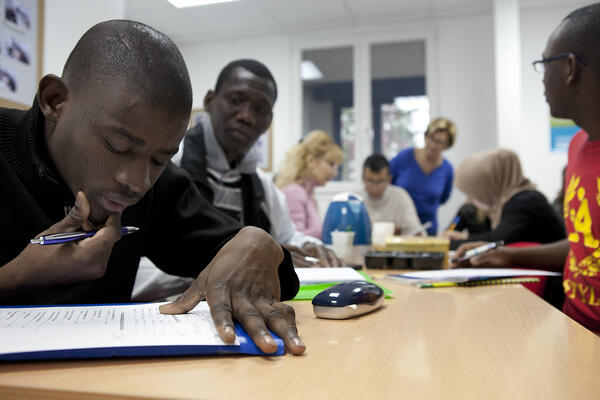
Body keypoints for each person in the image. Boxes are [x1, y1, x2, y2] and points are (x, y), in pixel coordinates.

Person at [0, 20, 305, 355]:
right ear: (54, 100)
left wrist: (259, 243)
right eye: (117, 146)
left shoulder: (158, 187)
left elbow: (262, 266)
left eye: (160, 159)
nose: (137, 182)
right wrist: (18, 275)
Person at [454, 3, 600, 334]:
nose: (542, 77)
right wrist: (508, 256)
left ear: (570, 68)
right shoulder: (577, 146)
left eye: (543, 64)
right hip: (573, 331)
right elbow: (585, 246)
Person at [179, 59, 340, 267]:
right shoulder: (167, 168)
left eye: (260, 109)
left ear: (268, 122)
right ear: (209, 101)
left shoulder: (263, 188)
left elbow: (286, 236)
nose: (246, 116)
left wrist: (311, 247)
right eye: (236, 100)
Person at [444, 148, 565, 249]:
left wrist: (445, 245)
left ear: (490, 183)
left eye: (474, 192)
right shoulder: (511, 201)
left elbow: (497, 240)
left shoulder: (525, 201)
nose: (470, 199)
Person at [389, 117, 456, 235]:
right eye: (432, 138)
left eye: (440, 142)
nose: (433, 145)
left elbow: (443, 198)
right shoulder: (405, 157)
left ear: (448, 145)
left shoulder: (447, 170)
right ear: (426, 136)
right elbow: (387, 182)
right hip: (401, 228)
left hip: (428, 230)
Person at [275, 130, 343, 240]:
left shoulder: (308, 194)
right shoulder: (294, 192)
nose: (334, 173)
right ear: (311, 160)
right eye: (331, 164)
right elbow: (294, 240)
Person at [358, 154, 421, 235]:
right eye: (370, 181)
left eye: (380, 181)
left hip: (395, 247)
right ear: (363, 178)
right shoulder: (355, 199)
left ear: (389, 179)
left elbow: (415, 231)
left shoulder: (400, 196)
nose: (375, 188)